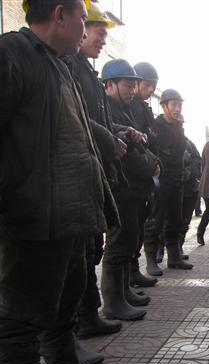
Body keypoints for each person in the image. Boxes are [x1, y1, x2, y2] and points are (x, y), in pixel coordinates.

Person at [0, 0, 117, 364]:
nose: (85, 28)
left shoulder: (58, 64)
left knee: (67, 295)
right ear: (60, 15)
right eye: (82, 19)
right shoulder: (13, 53)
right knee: (20, 316)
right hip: (30, 217)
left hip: (67, 216)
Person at [64, 0, 125, 340]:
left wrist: (118, 134)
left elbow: (98, 121)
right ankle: (76, 326)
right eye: (99, 32)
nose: (102, 40)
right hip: (76, 175)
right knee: (80, 256)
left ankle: (89, 316)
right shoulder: (68, 66)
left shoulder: (87, 72)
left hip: (94, 171)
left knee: (91, 250)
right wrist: (109, 138)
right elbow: (80, 120)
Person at [102, 58, 161, 318]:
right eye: (128, 85)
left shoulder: (125, 110)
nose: (132, 90)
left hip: (135, 187)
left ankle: (124, 290)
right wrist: (151, 166)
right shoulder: (108, 110)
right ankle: (113, 302)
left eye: (133, 85)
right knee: (118, 243)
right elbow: (128, 153)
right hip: (122, 186)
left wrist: (152, 161)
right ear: (110, 84)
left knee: (129, 241)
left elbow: (142, 144)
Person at [143, 89, 194, 275]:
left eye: (179, 105)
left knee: (175, 220)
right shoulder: (155, 125)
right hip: (161, 180)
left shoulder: (179, 126)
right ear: (164, 106)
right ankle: (151, 261)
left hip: (177, 180)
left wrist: (184, 172)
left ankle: (174, 257)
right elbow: (150, 151)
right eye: (173, 105)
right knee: (155, 221)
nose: (177, 109)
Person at [129, 61, 163, 289]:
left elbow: (151, 141)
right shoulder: (129, 106)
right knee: (127, 233)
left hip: (146, 176)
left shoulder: (144, 108)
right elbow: (136, 144)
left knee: (140, 227)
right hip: (133, 177)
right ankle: (127, 278)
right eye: (147, 85)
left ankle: (133, 272)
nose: (150, 90)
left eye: (153, 86)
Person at [180, 127, 202, 258]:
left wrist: (189, 173)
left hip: (189, 188)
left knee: (185, 220)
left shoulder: (189, 143)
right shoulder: (163, 139)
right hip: (171, 186)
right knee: (167, 220)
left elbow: (198, 160)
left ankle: (179, 246)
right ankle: (160, 248)